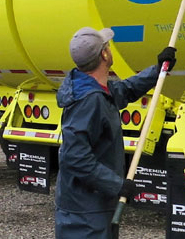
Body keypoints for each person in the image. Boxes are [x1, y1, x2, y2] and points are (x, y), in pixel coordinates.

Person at [55, 27, 175, 239]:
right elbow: (74, 158)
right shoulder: (89, 100)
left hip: (90, 206)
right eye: (107, 46)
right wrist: (117, 185)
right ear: (104, 54)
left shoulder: (95, 90)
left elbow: (125, 90)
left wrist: (158, 69)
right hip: (86, 213)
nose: (110, 49)